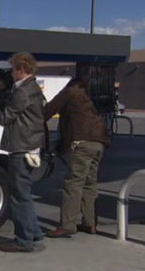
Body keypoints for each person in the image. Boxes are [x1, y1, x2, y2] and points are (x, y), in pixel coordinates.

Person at [0, 52, 46, 253]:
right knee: (24, 194)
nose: (10, 73)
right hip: (30, 146)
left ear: (21, 70)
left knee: (19, 196)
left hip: (21, 147)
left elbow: (5, 119)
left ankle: (23, 241)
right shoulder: (33, 87)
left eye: (12, 69)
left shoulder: (22, 91)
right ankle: (35, 234)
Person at [42, 78, 110, 238]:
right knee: (90, 183)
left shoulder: (69, 92)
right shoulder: (85, 98)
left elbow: (46, 112)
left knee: (73, 183)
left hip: (82, 143)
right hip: (99, 143)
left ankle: (67, 225)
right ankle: (90, 223)